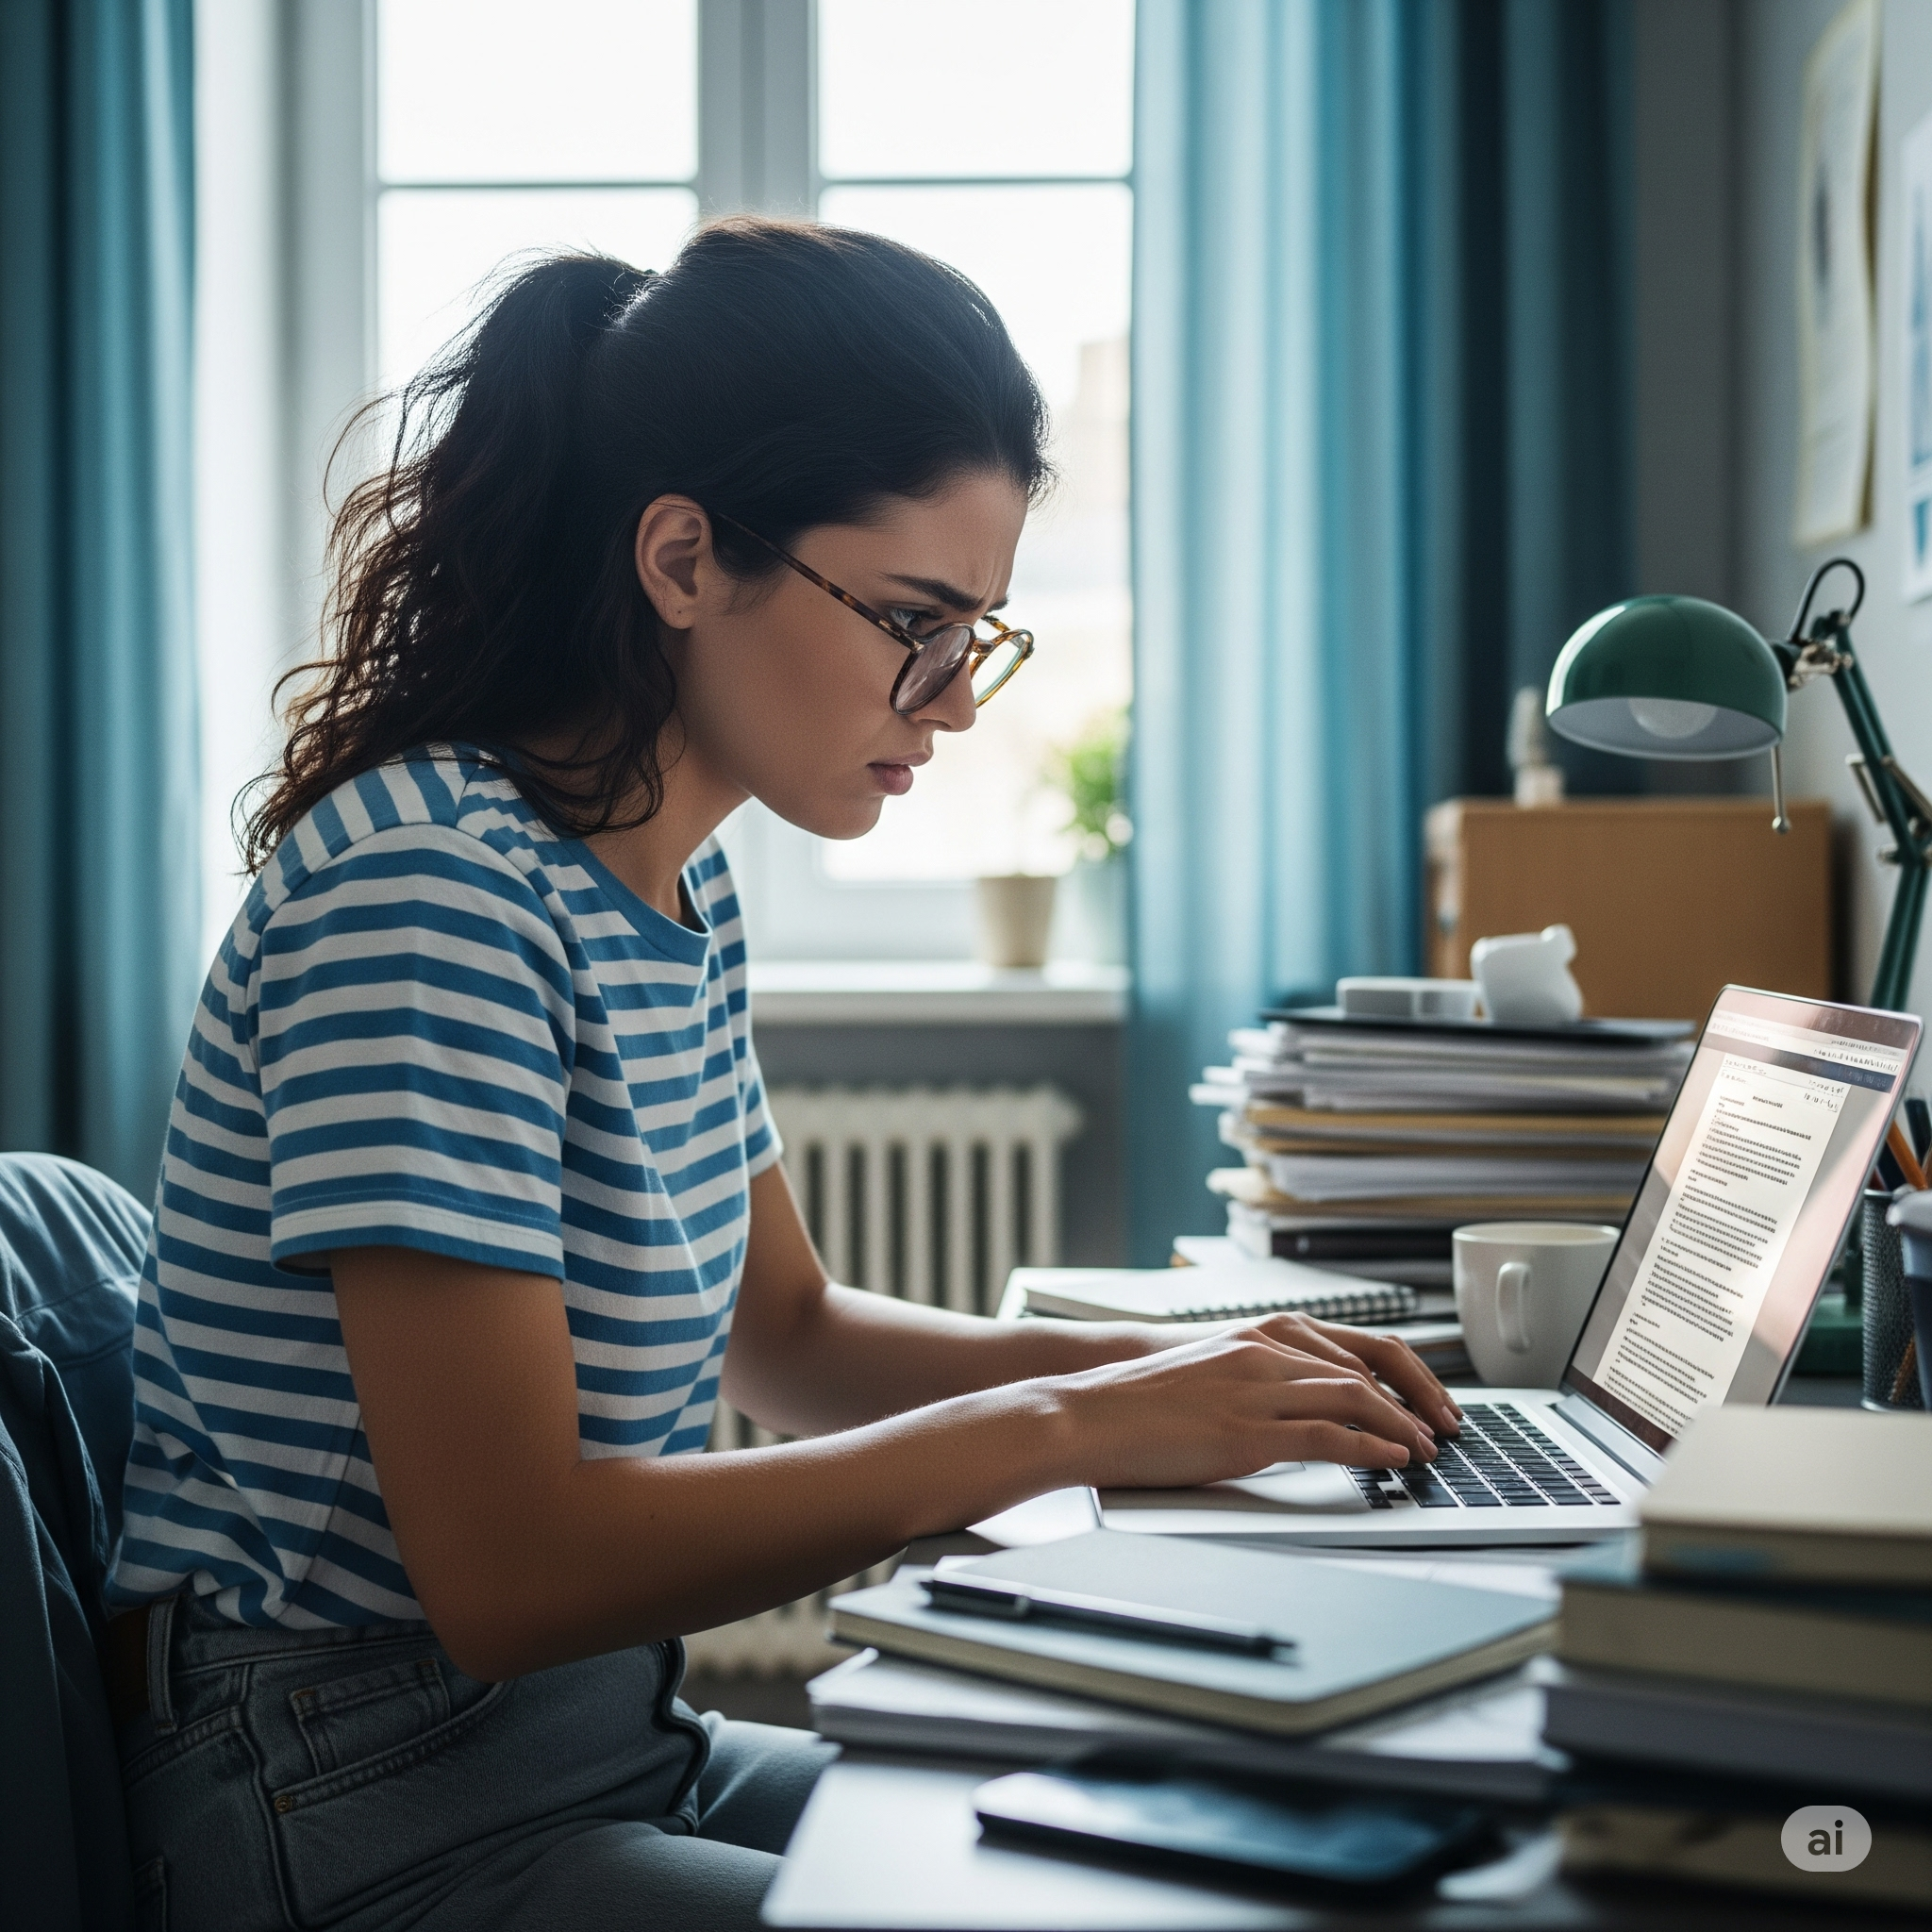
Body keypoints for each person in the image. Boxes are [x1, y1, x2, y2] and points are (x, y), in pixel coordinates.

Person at [105, 218, 1459, 1932]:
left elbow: (791, 1338)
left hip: (590, 1736)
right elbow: (512, 1569)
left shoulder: (674, 883)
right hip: (350, 1798)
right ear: (683, 559)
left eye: (977, 634)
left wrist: (1193, 1380)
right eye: (913, 621)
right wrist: (1064, 1425)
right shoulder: (429, 895)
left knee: (1215, 1857)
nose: (952, 703)